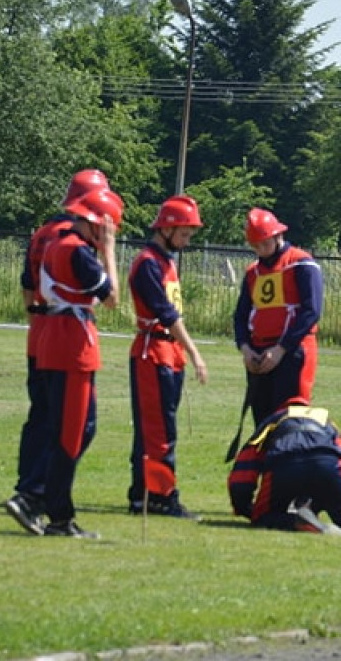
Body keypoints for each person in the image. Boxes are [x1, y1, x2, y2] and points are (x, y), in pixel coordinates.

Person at [5, 169, 108, 536]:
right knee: (67, 426)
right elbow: (106, 294)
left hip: (41, 332)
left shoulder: (42, 233)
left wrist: (38, 320)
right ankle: (36, 494)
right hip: (65, 334)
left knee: (43, 417)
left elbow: (27, 286)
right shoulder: (70, 240)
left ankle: (30, 489)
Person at [33, 187, 124, 539]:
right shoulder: (78, 251)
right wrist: (110, 252)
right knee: (71, 435)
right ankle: (54, 511)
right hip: (71, 344)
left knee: (78, 430)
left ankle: (44, 499)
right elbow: (113, 298)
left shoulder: (58, 243)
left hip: (56, 338)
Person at [127, 195, 209, 519]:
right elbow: (166, 314)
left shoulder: (166, 263)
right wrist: (196, 352)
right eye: (185, 234)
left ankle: (143, 495)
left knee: (160, 427)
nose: (187, 242)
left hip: (167, 353)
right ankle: (159, 497)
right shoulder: (147, 263)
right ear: (167, 229)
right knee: (158, 431)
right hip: (154, 353)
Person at [227, 399, 341, 538]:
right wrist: (326, 501)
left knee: (264, 517)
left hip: (285, 463)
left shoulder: (272, 420)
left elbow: (244, 469)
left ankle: (298, 522)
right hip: (328, 464)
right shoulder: (328, 422)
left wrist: (243, 507)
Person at [234, 207, 323, 427]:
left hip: (293, 351)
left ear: (278, 236)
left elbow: (311, 311)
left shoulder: (302, 263)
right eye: (256, 246)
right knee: (262, 421)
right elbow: (241, 315)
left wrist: (281, 348)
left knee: (291, 417)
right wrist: (245, 348)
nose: (261, 251)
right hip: (259, 352)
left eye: (265, 244)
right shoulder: (253, 272)